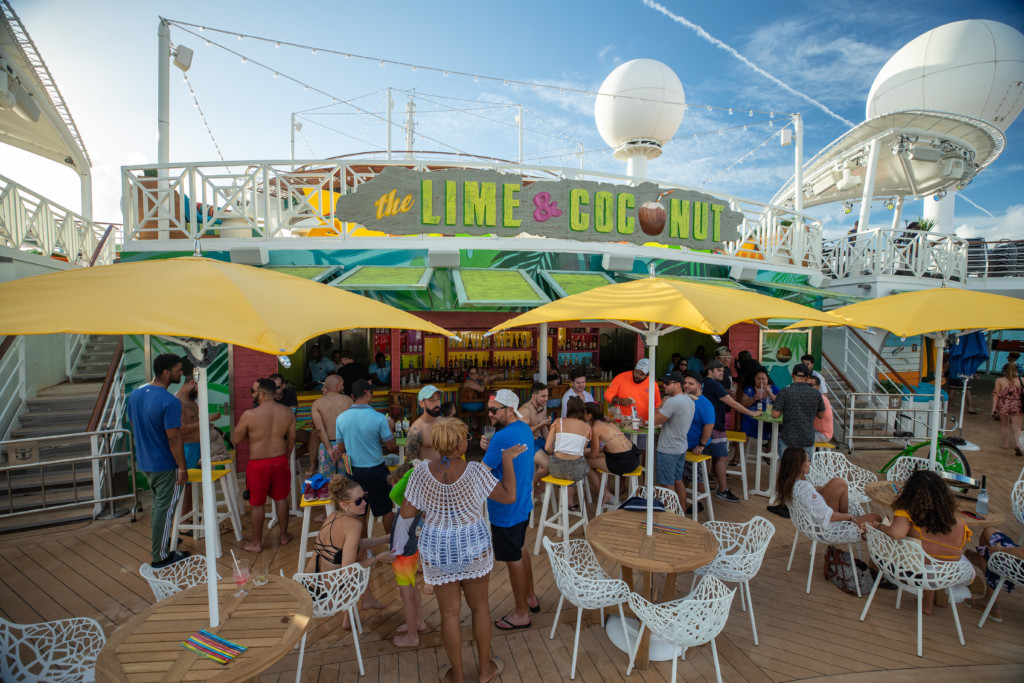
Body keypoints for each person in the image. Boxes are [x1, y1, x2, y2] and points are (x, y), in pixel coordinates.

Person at [400, 418, 526, 683]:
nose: (467, 440)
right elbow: (509, 495)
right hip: (472, 544)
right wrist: (506, 461)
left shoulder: (421, 474)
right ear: (459, 443)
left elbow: (407, 512)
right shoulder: (475, 472)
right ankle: (484, 670)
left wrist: (431, 501)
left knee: (449, 615)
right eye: (466, 437)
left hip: (437, 547)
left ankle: (456, 676)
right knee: (480, 608)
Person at [870, 469, 972, 615]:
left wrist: (880, 527)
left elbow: (896, 533)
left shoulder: (907, 513)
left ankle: (925, 603)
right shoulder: (960, 524)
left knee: (921, 555)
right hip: (949, 574)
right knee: (931, 556)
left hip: (917, 570)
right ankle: (927, 605)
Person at [479, 389, 539, 629]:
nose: (490, 414)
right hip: (523, 502)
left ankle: (521, 613)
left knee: (513, 557)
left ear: (510, 410)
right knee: (520, 548)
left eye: (494, 410)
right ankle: (530, 597)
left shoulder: (502, 438)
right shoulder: (523, 429)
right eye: (489, 410)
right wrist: (490, 448)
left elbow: (483, 472)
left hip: (505, 508)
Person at [127, 353, 189, 568]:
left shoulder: (134, 395)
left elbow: (135, 427)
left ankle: (163, 539)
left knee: (158, 506)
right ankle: (161, 556)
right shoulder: (170, 401)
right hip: (165, 463)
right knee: (165, 507)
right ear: (166, 372)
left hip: (145, 461)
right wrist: (182, 467)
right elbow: (173, 437)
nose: (181, 374)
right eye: (179, 370)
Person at [305, 476, 389, 625]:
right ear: (344, 504)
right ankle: (356, 609)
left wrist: (386, 538)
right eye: (358, 501)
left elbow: (353, 545)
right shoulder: (353, 525)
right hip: (326, 598)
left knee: (359, 554)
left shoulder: (332, 516)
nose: (364, 503)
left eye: (365, 497)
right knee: (363, 561)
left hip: (307, 589)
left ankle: (356, 610)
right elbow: (348, 571)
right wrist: (377, 559)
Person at [233, 378, 296, 552]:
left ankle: (257, 543)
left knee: (257, 504)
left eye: (253, 392)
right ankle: (284, 536)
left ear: (261, 394)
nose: (252, 395)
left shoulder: (249, 415)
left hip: (258, 464)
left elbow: (236, 439)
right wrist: (286, 456)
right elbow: (291, 439)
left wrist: (252, 435)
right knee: (281, 499)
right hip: (280, 460)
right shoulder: (287, 412)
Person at [335, 379, 398, 534]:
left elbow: (341, 448)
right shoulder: (379, 418)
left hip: (353, 472)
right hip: (376, 470)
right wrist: (390, 427)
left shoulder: (341, 418)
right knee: (386, 509)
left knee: (358, 511)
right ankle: (391, 544)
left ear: (352, 395)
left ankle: (364, 549)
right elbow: (392, 447)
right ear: (368, 394)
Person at [776, 447, 880, 531]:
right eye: (807, 461)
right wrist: (848, 517)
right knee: (876, 518)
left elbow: (811, 495)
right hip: (827, 527)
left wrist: (824, 488)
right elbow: (830, 517)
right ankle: (851, 524)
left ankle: (852, 524)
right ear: (798, 465)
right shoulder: (804, 487)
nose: (810, 464)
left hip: (811, 524)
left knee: (838, 483)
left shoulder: (790, 484)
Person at [702, 360, 761, 503]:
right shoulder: (715, 385)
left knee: (708, 456)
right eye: (718, 371)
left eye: (722, 371)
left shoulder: (703, 383)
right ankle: (723, 490)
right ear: (710, 371)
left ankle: (703, 487)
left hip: (704, 425)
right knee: (722, 457)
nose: (722, 373)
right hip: (716, 425)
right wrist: (751, 413)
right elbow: (733, 403)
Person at [386, 462, 428, 647]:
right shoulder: (415, 503)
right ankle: (418, 622)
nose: (395, 489)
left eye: (399, 484)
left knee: (406, 595)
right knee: (412, 588)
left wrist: (414, 470)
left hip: (402, 554)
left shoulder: (409, 502)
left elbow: (393, 494)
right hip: (409, 550)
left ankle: (412, 636)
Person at [174, 376, 222, 520]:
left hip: (195, 446)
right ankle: (183, 520)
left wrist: (206, 425)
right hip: (187, 448)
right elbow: (181, 429)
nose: (201, 393)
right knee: (186, 487)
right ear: (192, 383)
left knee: (192, 486)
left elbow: (194, 423)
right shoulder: (177, 403)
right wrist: (207, 420)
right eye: (200, 389)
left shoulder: (191, 402)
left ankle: (190, 514)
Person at [583, 402, 641, 504]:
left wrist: (582, 453)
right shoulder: (609, 423)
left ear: (589, 415)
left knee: (586, 463)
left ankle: (606, 494)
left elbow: (593, 454)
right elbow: (609, 448)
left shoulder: (596, 427)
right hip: (634, 457)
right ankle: (607, 493)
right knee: (600, 458)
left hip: (623, 462)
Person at [653, 371, 695, 510]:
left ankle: (669, 516)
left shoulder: (673, 401)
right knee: (678, 481)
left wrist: (661, 404)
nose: (664, 385)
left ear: (677, 385)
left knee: (666, 485)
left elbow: (654, 419)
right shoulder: (688, 399)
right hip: (681, 446)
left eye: (667, 383)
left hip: (668, 448)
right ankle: (680, 513)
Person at [541, 396, 591, 509]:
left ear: (567, 409)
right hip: (576, 472)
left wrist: (557, 451)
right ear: (583, 410)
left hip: (555, 469)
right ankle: (570, 502)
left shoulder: (558, 422)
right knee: (577, 463)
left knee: (564, 465)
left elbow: (547, 447)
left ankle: (567, 501)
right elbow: (580, 451)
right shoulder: (588, 428)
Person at [964, 527, 1024, 622]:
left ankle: (991, 601)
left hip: (1020, 568)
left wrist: (999, 550)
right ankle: (978, 559)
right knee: (990, 532)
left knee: (988, 540)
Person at [772, 363, 825, 457]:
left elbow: (775, 414)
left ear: (792, 375)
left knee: (786, 468)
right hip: (807, 437)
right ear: (807, 377)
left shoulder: (785, 392)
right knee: (804, 468)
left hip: (788, 437)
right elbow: (821, 415)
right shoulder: (816, 394)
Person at [683, 371, 715, 515]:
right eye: (685, 383)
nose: (687, 386)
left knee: (698, 477)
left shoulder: (705, 404)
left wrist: (701, 444)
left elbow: (709, 426)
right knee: (682, 476)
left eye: (691, 383)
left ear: (699, 386)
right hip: (683, 444)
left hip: (697, 446)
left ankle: (698, 502)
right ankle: (680, 500)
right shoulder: (684, 399)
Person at [310, 375, 353, 478]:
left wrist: (329, 449)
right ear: (338, 386)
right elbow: (351, 426)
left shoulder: (317, 403)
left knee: (328, 483)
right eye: (342, 385)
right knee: (347, 482)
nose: (343, 387)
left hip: (326, 446)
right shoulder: (348, 400)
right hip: (346, 446)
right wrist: (343, 447)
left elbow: (319, 429)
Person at [605, 358, 661, 422]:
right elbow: (607, 394)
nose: (637, 376)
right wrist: (620, 401)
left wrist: (654, 420)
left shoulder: (652, 384)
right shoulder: (621, 377)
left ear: (647, 375)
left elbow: (657, 404)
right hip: (621, 420)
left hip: (643, 421)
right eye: (636, 372)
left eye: (641, 374)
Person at [520, 382, 552, 481]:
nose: (546, 399)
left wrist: (551, 444)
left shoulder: (542, 408)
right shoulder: (525, 410)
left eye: (547, 396)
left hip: (539, 440)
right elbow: (523, 433)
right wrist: (540, 425)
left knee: (560, 461)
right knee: (550, 466)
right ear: (534, 396)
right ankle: (532, 485)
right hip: (526, 443)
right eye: (543, 396)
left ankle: (539, 485)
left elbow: (544, 430)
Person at [738, 368, 777, 445]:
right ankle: (738, 456)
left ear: (767, 379)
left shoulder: (774, 389)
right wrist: (753, 399)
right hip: (751, 420)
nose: (761, 381)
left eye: (763, 379)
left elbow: (780, 402)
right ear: (754, 379)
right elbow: (742, 405)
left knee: (776, 432)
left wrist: (770, 393)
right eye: (758, 379)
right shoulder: (749, 389)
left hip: (768, 421)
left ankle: (768, 455)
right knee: (744, 430)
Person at [405, 385, 443, 462]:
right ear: (422, 404)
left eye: (438, 399)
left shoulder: (445, 422)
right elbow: (410, 463)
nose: (437, 403)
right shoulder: (416, 430)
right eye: (432, 400)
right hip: (427, 472)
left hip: (445, 471)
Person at [991, 362, 1023, 453]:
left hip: (1003, 404)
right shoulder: (1022, 380)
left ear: (1004, 370)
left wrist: (994, 408)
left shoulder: (999, 380)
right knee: (1017, 427)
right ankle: (1017, 444)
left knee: (1004, 425)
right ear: (1016, 370)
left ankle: (1005, 444)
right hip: (1017, 405)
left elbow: (996, 395)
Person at [811, 375, 834, 444]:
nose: (808, 387)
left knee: (795, 437)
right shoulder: (817, 397)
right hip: (817, 431)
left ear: (818, 387)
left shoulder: (819, 399)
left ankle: (808, 455)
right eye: (806, 385)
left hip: (823, 434)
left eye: (811, 385)